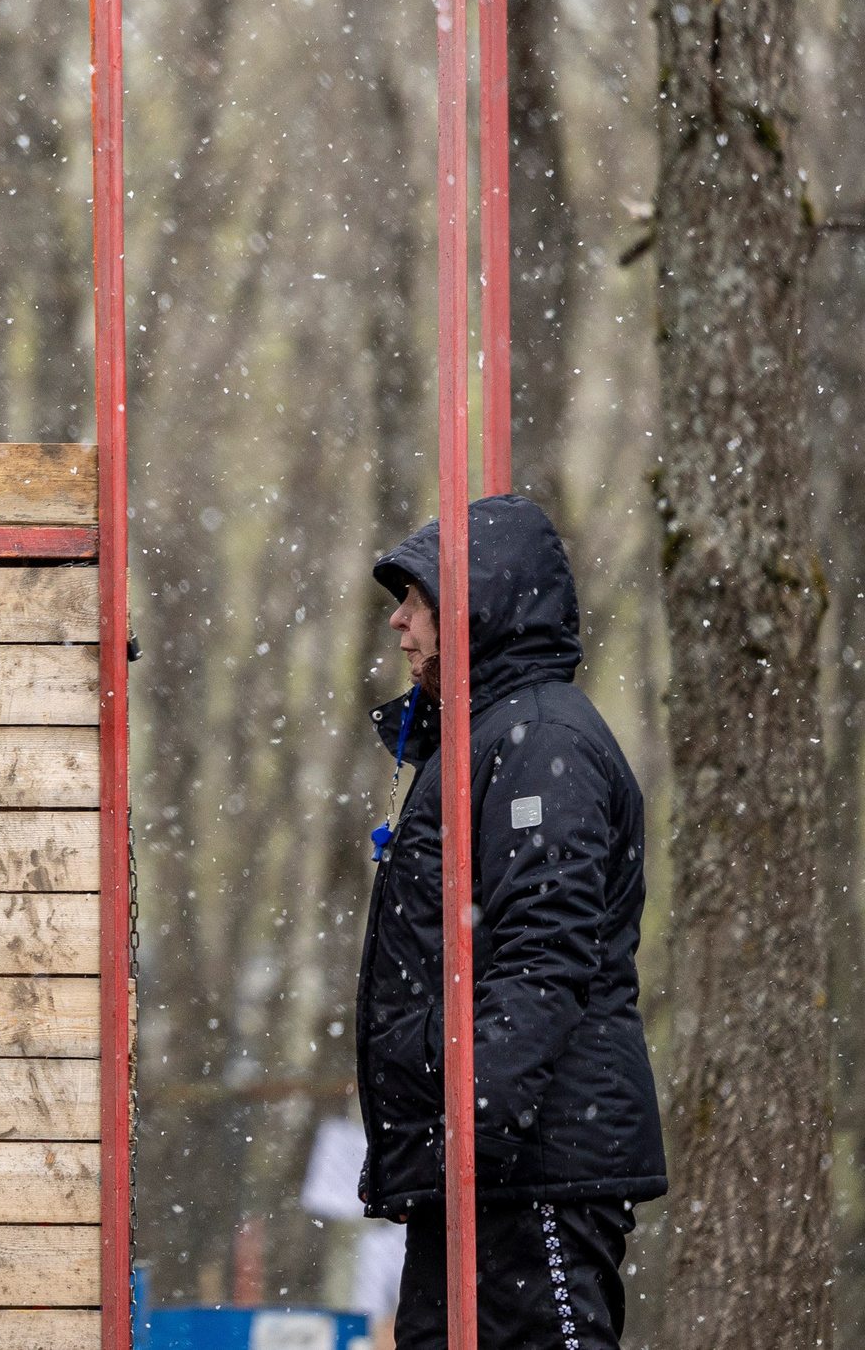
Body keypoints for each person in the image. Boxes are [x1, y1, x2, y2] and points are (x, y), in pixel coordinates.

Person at [355, 494, 665, 1350]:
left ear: (475, 604)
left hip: (529, 1175)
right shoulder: (491, 736)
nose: (397, 622)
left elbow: (544, 954)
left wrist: (476, 1129)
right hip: (487, 1176)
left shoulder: (536, 739)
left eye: (414, 599)